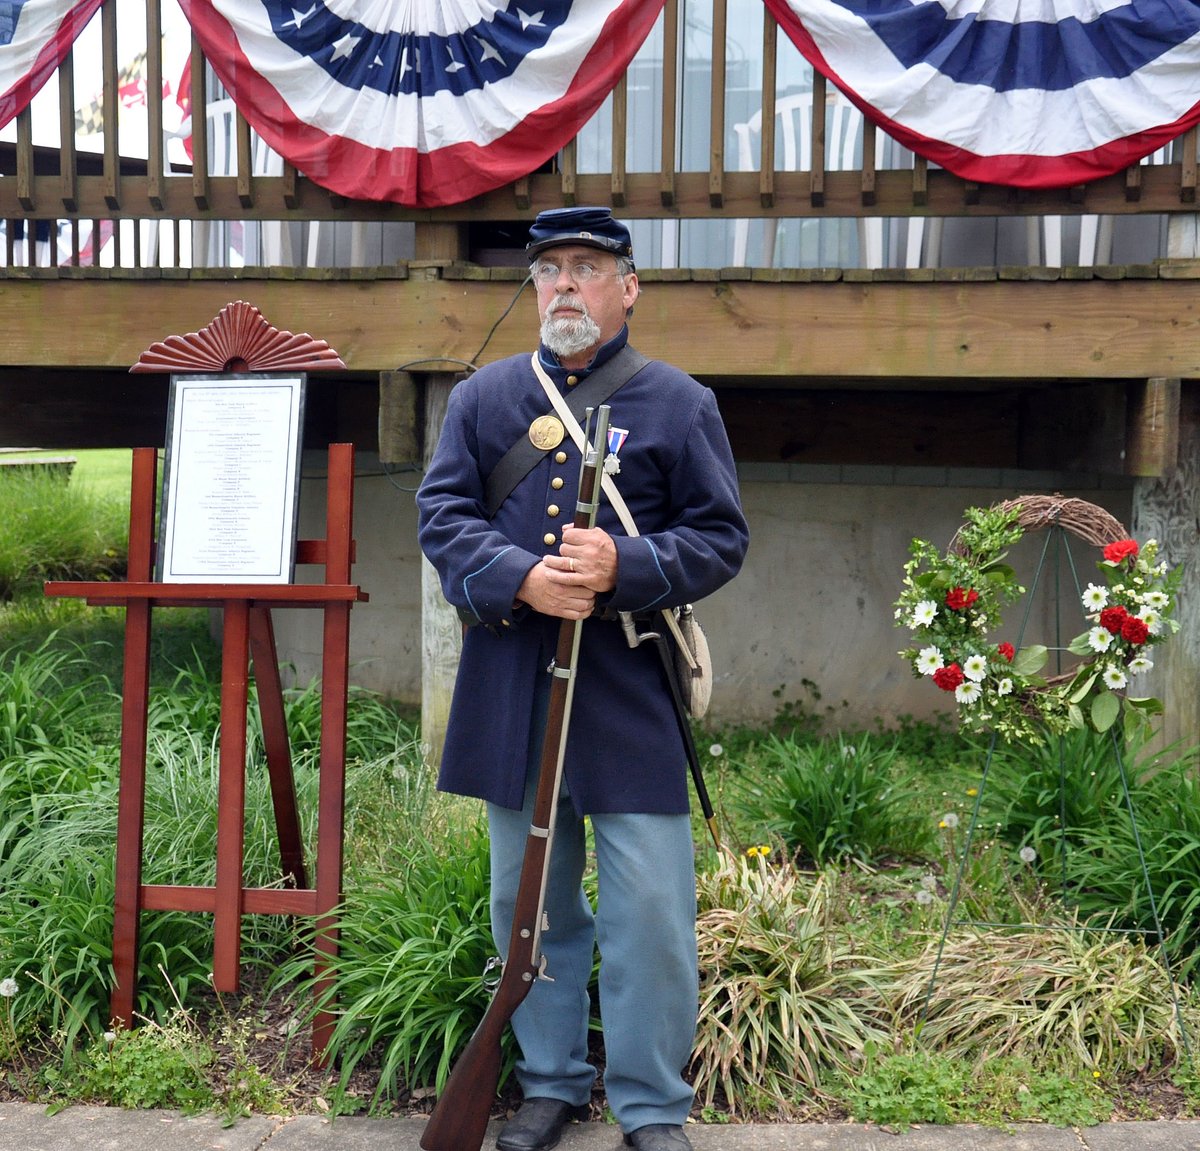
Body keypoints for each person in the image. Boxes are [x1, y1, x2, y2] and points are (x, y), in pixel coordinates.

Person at [416, 206, 749, 1151]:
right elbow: (441, 517)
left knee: (651, 910)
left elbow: (722, 538)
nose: (566, 284)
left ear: (628, 287)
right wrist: (519, 575)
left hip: (628, 688)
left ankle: (650, 1105)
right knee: (529, 904)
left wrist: (623, 570)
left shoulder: (680, 404)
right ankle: (548, 1086)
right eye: (550, 269)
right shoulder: (482, 401)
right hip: (514, 685)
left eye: (589, 268)